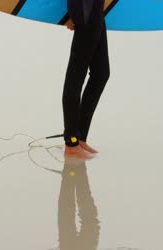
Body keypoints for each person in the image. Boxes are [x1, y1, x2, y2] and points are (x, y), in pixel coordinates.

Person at [62, 0, 110, 159]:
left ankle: (80, 137)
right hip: (85, 10)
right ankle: (71, 143)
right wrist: (72, 15)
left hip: (95, 10)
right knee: (76, 74)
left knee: (101, 73)